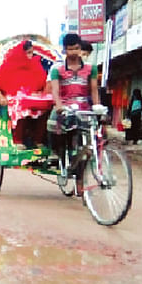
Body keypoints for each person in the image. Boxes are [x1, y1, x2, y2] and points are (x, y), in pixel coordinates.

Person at [48, 33, 100, 194]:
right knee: (51, 125)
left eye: (76, 49)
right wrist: (59, 106)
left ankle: (80, 181)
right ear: (65, 50)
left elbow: (93, 90)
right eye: (70, 49)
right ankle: (57, 154)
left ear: (80, 48)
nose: (74, 53)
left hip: (84, 107)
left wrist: (97, 107)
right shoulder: (57, 69)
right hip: (65, 106)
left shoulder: (91, 68)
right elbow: (55, 91)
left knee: (87, 147)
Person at [0, 40, 49, 148]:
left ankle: (38, 140)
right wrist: (0, 97)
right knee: (21, 108)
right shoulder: (8, 67)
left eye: (31, 53)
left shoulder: (36, 65)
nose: (30, 56)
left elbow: (43, 85)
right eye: (28, 53)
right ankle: (18, 140)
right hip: (14, 100)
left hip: (32, 99)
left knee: (46, 109)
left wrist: (40, 93)